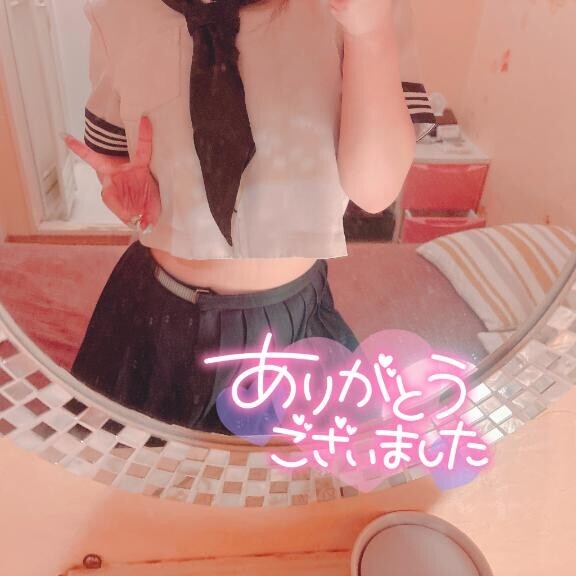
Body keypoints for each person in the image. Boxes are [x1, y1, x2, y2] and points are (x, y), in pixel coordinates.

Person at [63, 0, 436, 434]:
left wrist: (370, 34)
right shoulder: (117, 13)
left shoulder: (354, 8)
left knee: (298, 477)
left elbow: (375, 193)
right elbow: (116, 157)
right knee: (122, 470)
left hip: (289, 324)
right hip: (150, 317)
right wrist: (126, 197)